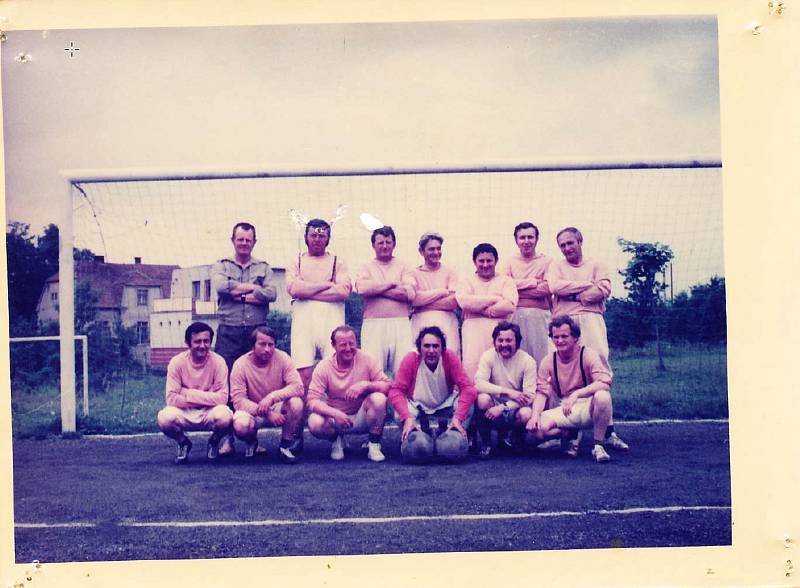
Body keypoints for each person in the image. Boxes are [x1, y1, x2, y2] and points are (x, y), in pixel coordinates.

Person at [546, 226, 628, 450]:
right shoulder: (555, 265)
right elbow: (554, 286)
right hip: (563, 319)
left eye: (570, 243)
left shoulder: (597, 264)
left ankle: (608, 431)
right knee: (564, 372)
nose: (566, 248)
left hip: (592, 319)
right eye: (562, 245)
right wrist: (583, 289)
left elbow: (602, 290)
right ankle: (570, 430)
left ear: (580, 242)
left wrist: (570, 293)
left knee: (599, 367)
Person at [211, 221, 277, 456]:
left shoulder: (264, 266)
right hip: (228, 330)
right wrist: (252, 290)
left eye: (248, 240)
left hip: (256, 331)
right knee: (227, 383)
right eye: (240, 239)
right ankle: (226, 438)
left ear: (254, 242)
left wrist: (237, 293)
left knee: (253, 384)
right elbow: (219, 286)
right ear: (233, 240)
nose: (244, 243)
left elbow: (272, 293)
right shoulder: (221, 265)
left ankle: (252, 439)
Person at [525, 315, 620, 463]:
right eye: (556, 337)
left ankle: (598, 446)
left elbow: (604, 382)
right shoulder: (548, 360)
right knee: (535, 430)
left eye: (564, 336)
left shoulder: (588, 354)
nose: (560, 341)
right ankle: (568, 433)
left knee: (603, 396)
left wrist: (577, 394)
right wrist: (535, 416)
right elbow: (542, 392)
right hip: (566, 408)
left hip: (588, 405)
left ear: (575, 337)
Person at [388, 326, 477, 463]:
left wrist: (458, 418)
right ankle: (415, 432)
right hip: (417, 405)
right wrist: (407, 418)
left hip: (445, 402)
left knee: (469, 406)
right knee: (398, 414)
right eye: (427, 346)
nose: (431, 351)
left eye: (436, 346)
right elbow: (396, 391)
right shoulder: (411, 359)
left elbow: (468, 389)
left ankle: (456, 433)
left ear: (442, 348)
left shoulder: (450, 357)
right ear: (420, 348)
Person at [306, 325, 391, 462]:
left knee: (379, 398)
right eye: (343, 344)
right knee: (314, 421)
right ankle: (336, 441)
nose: (348, 348)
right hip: (337, 419)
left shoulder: (367, 359)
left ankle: (374, 444)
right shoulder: (324, 366)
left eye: (351, 343)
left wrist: (366, 385)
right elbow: (311, 400)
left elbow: (387, 386)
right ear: (333, 345)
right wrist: (335, 414)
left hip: (361, 417)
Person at [286, 218, 352, 391]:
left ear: (328, 239)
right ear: (306, 237)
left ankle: (333, 412)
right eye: (313, 235)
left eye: (321, 236)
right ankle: (305, 412)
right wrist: (326, 284)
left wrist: (307, 290)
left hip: (331, 319)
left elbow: (343, 291)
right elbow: (293, 288)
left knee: (335, 368)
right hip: (303, 320)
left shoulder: (338, 262)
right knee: (303, 370)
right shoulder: (297, 261)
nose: (317, 239)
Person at [157, 322, 233, 464]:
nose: (202, 346)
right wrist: (209, 394)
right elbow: (172, 399)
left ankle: (214, 442)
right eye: (197, 341)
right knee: (164, 418)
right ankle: (183, 442)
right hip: (185, 411)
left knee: (225, 416)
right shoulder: (176, 362)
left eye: (206, 341)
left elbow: (223, 398)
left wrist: (187, 392)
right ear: (188, 343)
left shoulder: (219, 362)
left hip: (209, 411)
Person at [230, 326, 305, 463]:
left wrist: (271, 398)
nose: (267, 349)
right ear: (252, 346)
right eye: (262, 344)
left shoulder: (283, 357)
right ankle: (252, 441)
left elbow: (298, 387)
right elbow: (238, 401)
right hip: (252, 410)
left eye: (271, 344)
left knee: (296, 403)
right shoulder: (240, 364)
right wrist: (267, 413)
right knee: (241, 426)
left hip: (276, 406)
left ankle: (285, 446)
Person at [355, 226, 415, 375]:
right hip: (373, 325)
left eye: (388, 242)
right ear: (373, 245)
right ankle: (376, 399)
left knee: (403, 370)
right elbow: (362, 289)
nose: (384, 246)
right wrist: (391, 284)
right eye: (380, 243)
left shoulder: (404, 266)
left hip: (400, 323)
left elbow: (409, 293)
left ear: (394, 244)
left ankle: (401, 399)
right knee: (373, 370)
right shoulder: (366, 267)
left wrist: (376, 290)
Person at [474, 321, 537, 458]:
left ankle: (516, 439)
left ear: (517, 341)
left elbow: (530, 396)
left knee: (526, 413)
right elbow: (478, 383)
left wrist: (503, 407)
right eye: (500, 340)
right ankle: (486, 443)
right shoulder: (488, 356)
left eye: (509, 340)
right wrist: (507, 392)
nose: (504, 344)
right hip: (492, 405)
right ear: (495, 341)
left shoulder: (528, 361)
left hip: (515, 407)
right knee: (482, 399)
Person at [455, 243, 518, 379]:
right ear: (474, 262)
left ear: (496, 261)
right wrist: (495, 299)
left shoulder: (506, 281)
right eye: (481, 261)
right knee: (472, 370)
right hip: (472, 333)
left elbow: (509, 306)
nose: (485, 264)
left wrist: (480, 309)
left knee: (499, 371)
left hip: (499, 333)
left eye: (489, 260)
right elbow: (464, 302)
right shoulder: (466, 281)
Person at [502, 222, 553, 366]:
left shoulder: (547, 261)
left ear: (537, 239)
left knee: (542, 357)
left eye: (530, 237)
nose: (526, 241)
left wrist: (517, 289)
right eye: (522, 237)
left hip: (540, 317)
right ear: (516, 240)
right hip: (516, 316)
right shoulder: (510, 262)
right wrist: (532, 282)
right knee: (518, 356)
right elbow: (504, 287)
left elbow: (548, 288)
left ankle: (542, 387)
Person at [410, 232, 461, 356]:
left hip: (447, 323)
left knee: (449, 359)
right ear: (421, 251)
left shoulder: (450, 272)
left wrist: (423, 304)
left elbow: (453, 302)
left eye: (438, 248)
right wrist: (441, 292)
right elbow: (414, 299)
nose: (436, 252)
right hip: (420, 324)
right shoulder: (413, 273)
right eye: (431, 249)